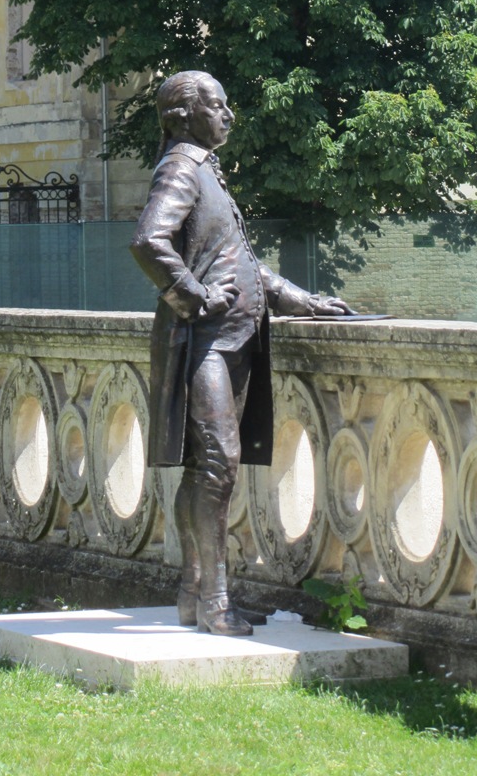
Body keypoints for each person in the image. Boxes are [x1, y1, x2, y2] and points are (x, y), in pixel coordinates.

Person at [130, 71, 351, 636]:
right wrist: (195, 297)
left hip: (231, 343)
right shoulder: (182, 167)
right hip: (201, 342)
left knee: (206, 468)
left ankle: (194, 594)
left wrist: (303, 300)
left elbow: (241, 261)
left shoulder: (206, 170)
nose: (229, 115)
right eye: (218, 106)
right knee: (216, 465)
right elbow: (148, 241)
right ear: (184, 116)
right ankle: (215, 601)